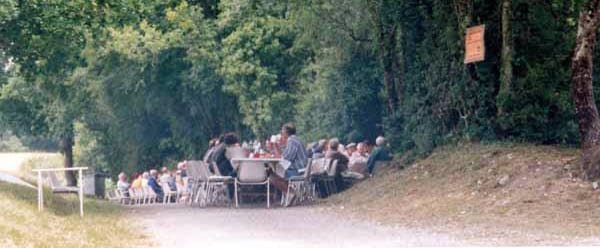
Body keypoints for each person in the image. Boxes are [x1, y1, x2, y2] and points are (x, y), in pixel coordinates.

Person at [270, 123, 308, 206]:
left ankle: (291, 193)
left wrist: (274, 145)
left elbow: (286, 158)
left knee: (272, 176)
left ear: (286, 132)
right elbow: (283, 156)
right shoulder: (294, 140)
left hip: (298, 170)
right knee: (275, 172)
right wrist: (275, 145)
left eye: (282, 131)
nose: (281, 133)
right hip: (298, 168)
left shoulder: (292, 141)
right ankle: (290, 193)